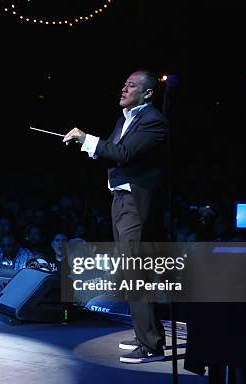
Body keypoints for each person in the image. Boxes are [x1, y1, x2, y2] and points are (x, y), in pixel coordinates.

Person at [63, 69, 167, 364]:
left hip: (136, 204)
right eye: (124, 83)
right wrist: (85, 144)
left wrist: (86, 139)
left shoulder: (154, 122)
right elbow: (110, 150)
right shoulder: (126, 119)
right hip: (120, 201)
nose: (123, 89)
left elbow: (123, 153)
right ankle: (145, 332)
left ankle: (151, 346)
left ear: (147, 93)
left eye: (131, 85)